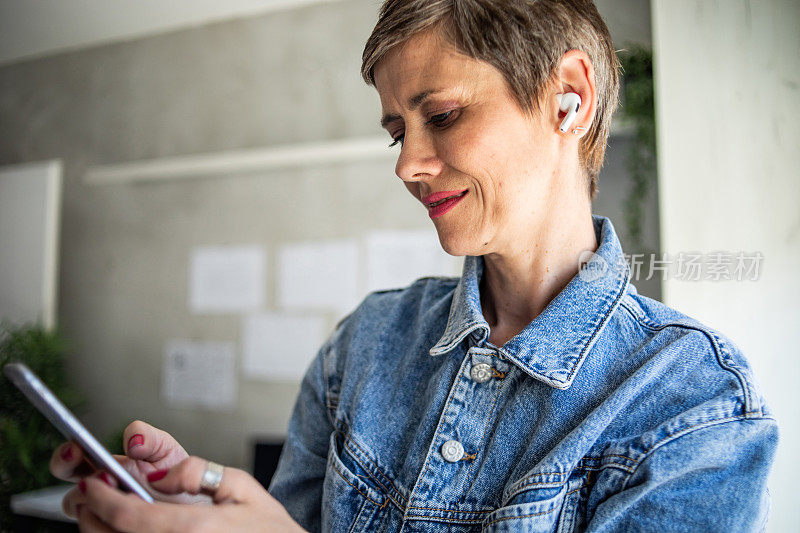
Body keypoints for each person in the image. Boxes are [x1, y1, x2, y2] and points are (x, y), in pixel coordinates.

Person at [49, 0, 778, 531]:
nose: (408, 164)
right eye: (396, 130)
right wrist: (200, 507)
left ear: (569, 99)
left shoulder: (693, 404)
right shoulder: (363, 343)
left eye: (445, 115)